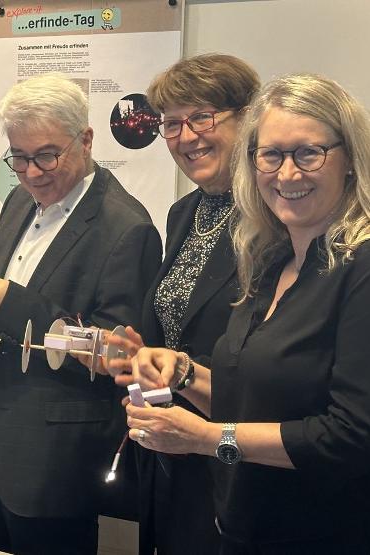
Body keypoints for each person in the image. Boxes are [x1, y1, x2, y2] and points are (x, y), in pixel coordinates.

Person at [125, 74, 370, 552]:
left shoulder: (361, 267)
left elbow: (351, 435)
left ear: (349, 160)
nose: (287, 174)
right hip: (241, 526)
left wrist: (207, 439)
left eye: (309, 153)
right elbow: (251, 398)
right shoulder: (271, 260)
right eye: (271, 155)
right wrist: (183, 374)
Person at [0, 74, 161, 553]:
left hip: (53, 452)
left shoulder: (126, 227)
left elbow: (115, 352)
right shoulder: (19, 201)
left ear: (86, 140)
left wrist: (8, 306)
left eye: (47, 156)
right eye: (18, 157)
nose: (32, 172)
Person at [118, 54, 259, 555]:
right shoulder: (184, 212)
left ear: (248, 118)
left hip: (234, 454)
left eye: (202, 117)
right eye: (172, 124)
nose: (186, 136)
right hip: (168, 443)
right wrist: (141, 356)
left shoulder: (273, 218)